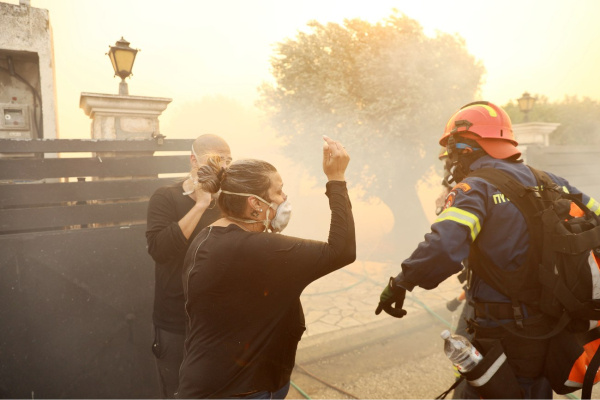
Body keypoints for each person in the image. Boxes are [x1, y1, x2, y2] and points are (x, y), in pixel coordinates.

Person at [375, 101, 600, 398]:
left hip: (503, 331)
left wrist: (401, 283)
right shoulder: (551, 181)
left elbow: (443, 247)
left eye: (451, 155)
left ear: (464, 149)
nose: (450, 163)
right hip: (551, 326)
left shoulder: (474, 189)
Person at [176, 135, 355, 399]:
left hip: (215, 383)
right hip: (241, 392)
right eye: (278, 191)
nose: (284, 198)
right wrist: (336, 179)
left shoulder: (209, 236)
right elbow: (342, 251)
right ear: (256, 204)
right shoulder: (256, 249)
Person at [146, 134, 232, 399]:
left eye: (228, 161)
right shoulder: (166, 197)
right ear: (194, 161)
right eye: (215, 160)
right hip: (176, 320)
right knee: (178, 391)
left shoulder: (228, 201)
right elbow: (160, 251)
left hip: (218, 320)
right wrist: (201, 203)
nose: (223, 167)